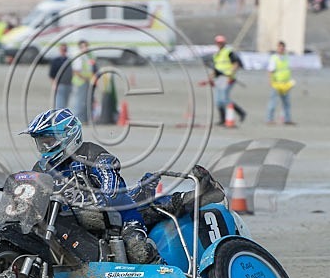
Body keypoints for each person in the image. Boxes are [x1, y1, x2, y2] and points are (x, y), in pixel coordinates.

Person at [22, 108, 225, 264]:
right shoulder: (41, 168)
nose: (45, 147)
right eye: (41, 142)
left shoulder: (93, 155)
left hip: (116, 216)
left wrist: (93, 207)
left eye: (49, 140)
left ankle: (166, 277)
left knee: (137, 247)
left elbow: (113, 191)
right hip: (67, 224)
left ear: (68, 135)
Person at [211, 35, 246, 125]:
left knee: (224, 99)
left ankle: (241, 112)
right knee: (218, 101)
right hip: (219, 79)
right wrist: (210, 78)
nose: (219, 44)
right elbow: (216, 68)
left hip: (228, 78)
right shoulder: (216, 55)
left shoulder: (229, 52)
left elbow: (236, 64)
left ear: (224, 43)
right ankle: (222, 120)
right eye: (218, 42)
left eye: (221, 42)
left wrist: (230, 73)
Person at [266, 41, 295, 125]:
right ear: (277, 48)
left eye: (282, 47)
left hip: (286, 83)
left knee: (286, 103)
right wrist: (270, 81)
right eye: (279, 47)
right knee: (273, 102)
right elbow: (270, 70)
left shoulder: (286, 57)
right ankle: (269, 119)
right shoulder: (274, 58)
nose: (281, 49)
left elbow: (288, 70)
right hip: (276, 83)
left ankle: (287, 119)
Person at [71, 39, 96, 124]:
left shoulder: (87, 56)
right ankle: (78, 119)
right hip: (80, 82)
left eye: (86, 46)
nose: (85, 48)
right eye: (83, 46)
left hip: (87, 81)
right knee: (80, 101)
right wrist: (85, 78)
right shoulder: (78, 56)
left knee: (86, 101)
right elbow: (76, 70)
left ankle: (85, 119)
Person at [48, 43, 72, 109]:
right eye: (62, 49)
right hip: (59, 84)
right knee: (59, 103)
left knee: (66, 102)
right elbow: (51, 74)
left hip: (69, 84)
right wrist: (54, 84)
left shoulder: (69, 60)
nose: (63, 51)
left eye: (65, 50)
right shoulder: (55, 61)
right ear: (59, 50)